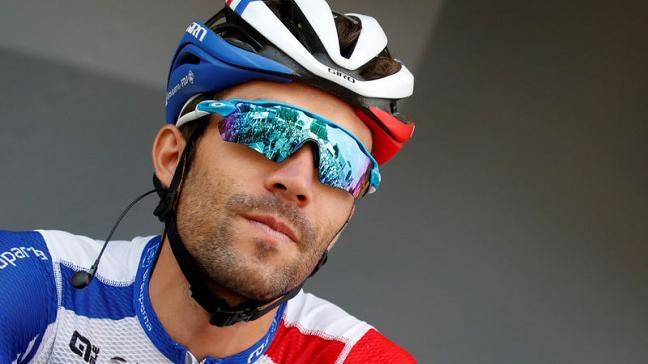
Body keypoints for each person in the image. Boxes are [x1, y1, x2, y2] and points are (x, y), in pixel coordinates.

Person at [0, 0, 417, 363]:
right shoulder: (33, 286)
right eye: (263, 128)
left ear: (341, 226)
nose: (297, 183)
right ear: (173, 157)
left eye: (340, 164)